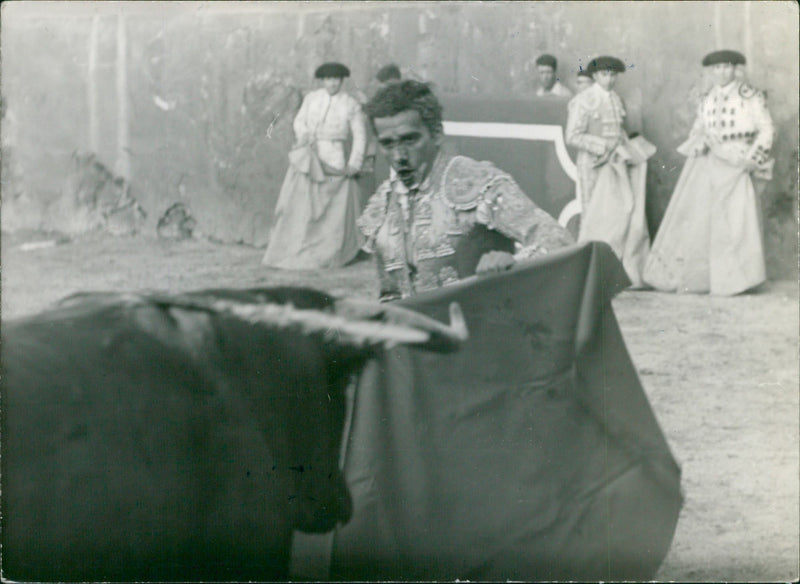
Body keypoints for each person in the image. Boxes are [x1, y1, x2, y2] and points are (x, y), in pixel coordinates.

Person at [356, 80, 574, 301]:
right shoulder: (382, 204)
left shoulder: (478, 181)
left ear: (437, 134)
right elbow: (389, 296)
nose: (399, 156)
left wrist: (513, 262)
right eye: (388, 144)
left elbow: (558, 240)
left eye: (410, 140)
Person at [643, 50, 774, 295]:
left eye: (726, 67)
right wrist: (699, 141)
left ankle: (737, 280)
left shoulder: (749, 96)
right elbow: (698, 129)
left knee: (735, 220)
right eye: (716, 69)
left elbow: (766, 129)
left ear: (735, 69)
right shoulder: (707, 98)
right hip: (708, 162)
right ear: (710, 72)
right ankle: (709, 279)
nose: (721, 72)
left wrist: (751, 159)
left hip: (736, 161)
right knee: (703, 218)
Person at [262, 62, 367, 269]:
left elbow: (360, 135)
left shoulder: (350, 104)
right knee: (305, 201)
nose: (332, 83)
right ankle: (302, 243)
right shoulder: (312, 99)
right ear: (322, 80)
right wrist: (304, 135)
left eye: (336, 79)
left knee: (331, 204)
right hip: (312, 154)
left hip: (335, 157)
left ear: (341, 80)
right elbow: (299, 121)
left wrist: (354, 162)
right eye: (328, 79)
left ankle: (329, 249)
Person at [566, 55, 655, 286]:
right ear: (595, 76)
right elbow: (572, 135)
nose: (610, 79)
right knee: (592, 216)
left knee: (617, 217)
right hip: (593, 165)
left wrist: (625, 148)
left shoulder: (616, 99)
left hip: (615, 165)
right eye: (605, 74)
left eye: (613, 74)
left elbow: (619, 131)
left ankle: (614, 272)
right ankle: (590, 275)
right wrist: (603, 146)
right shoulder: (583, 100)